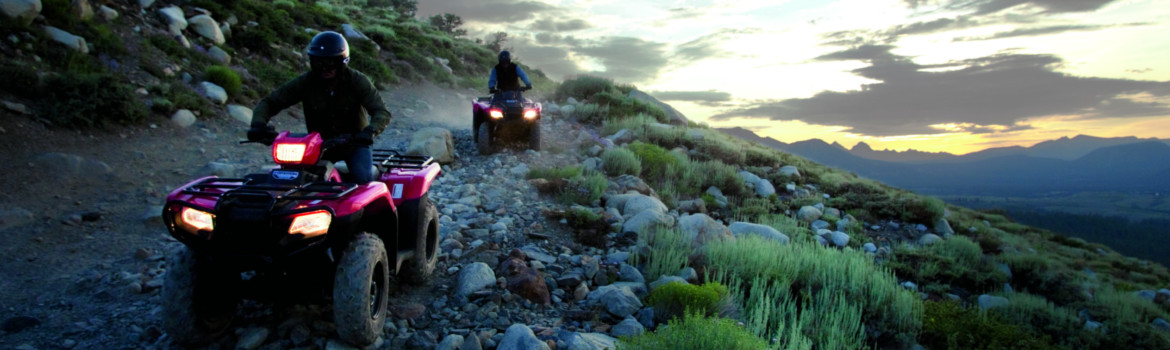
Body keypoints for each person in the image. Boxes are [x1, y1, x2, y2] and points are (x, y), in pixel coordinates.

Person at [247, 31, 391, 183]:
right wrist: (258, 124)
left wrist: (370, 132)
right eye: (319, 62)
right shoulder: (305, 82)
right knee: (297, 179)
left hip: (355, 145)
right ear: (312, 61)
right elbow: (271, 102)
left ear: (342, 61)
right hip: (319, 146)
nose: (325, 68)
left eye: (331, 62)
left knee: (363, 179)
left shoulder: (358, 81)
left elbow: (381, 111)